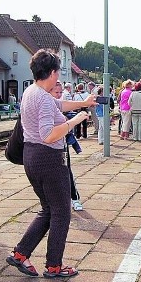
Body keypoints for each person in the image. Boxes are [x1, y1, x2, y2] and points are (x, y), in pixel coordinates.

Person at [6, 49, 93, 278]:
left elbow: (58, 105)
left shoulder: (31, 92)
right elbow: (48, 134)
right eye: (58, 72)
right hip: (48, 159)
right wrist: (74, 121)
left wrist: (83, 103)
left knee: (48, 210)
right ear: (53, 72)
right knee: (62, 212)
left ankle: (20, 254)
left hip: (31, 156)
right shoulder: (43, 99)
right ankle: (54, 266)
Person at [50, 81, 83, 212]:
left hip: (62, 144)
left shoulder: (60, 103)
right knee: (50, 175)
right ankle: (57, 201)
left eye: (60, 92)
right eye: (56, 92)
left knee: (66, 170)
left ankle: (74, 198)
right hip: (48, 145)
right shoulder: (46, 103)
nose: (58, 95)